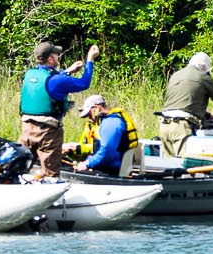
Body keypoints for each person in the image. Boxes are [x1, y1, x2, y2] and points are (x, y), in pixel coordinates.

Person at [18, 40, 100, 178]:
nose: (58, 56)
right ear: (50, 58)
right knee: (50, 173)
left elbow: (50, 81)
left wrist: (68, 71)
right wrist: (90, 60)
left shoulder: (30, 75)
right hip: (47, 132)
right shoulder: (58, 80)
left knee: (23, 166)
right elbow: (84, 83)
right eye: (56, 54)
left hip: (27, 128)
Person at [158, 51, 213, 155]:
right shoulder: (202, 77)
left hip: (164, 124)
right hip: (181, 125)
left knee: (168, 166)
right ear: (205, 68)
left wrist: (207, 115)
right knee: (184, 165)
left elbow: (183, 103)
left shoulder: (176, 75)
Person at [74, 95, 139, 176]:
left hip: (111, 171)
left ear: (96, 108)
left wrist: (87, 164)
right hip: (104, 167)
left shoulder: (111, 122)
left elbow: (107, 152)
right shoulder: (104, 122)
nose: (89, 119)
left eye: (89, 114)